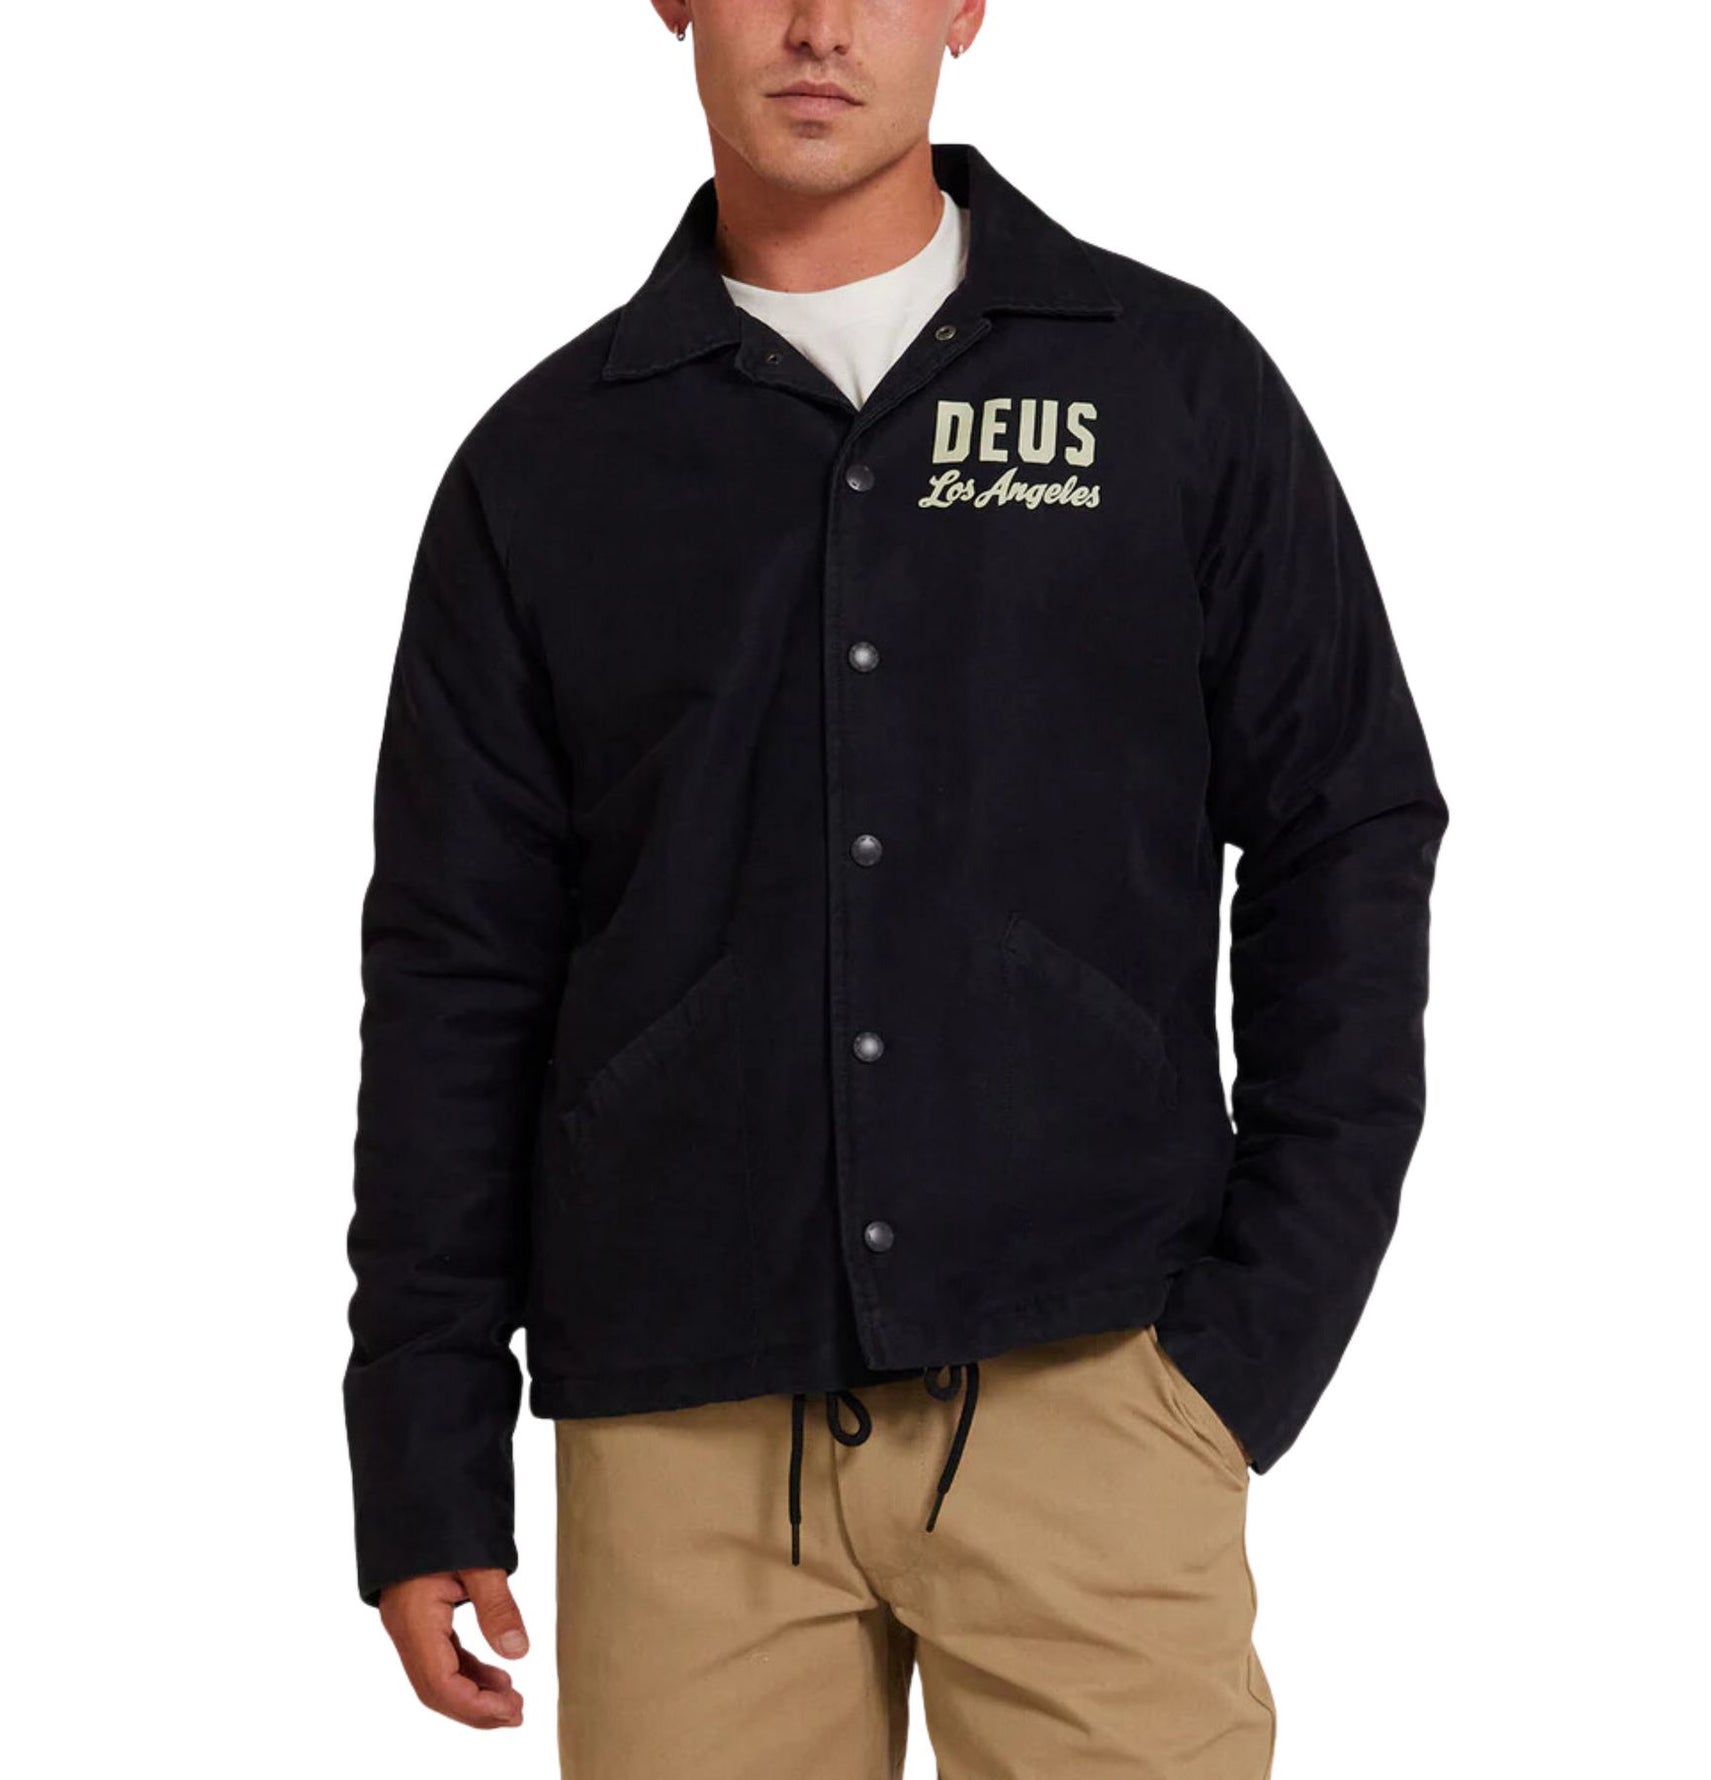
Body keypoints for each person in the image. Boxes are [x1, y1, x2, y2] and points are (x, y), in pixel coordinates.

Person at [342, 2, 1449, 1773]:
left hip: (1099, 1394)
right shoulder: (543, 467)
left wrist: (1257, 1335)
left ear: (967, 8)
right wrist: (422, 1448)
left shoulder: (1166, 386)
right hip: (678, 1438)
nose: (817, 26)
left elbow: (1349, 821)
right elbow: (455, 974)